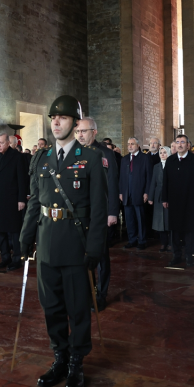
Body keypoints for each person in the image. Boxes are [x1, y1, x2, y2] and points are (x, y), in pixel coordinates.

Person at [20, 95, 107, 387]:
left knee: (77, 308)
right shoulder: (41, 158)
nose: (56, 122)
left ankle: (76, 363)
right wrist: (25, 236)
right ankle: (60, 357)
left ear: (76, 123)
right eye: (53, 117)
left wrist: (95, 248)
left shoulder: (91, 158)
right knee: (52, 307)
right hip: (46, 244)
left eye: (64, 118)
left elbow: (98, 209)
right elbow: (35, 202)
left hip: (75, 244)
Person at [75, 116, 119, 312]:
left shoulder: (105, 154)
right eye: (77, 131)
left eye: (83, 131)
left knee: (100, 256)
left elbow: (112, 184)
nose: (80, 135)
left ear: (94, 132)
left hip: (100, 214)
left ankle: (101, 294)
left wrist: (112, 213)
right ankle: (85, 291)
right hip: (80, 214)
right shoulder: (75, 152)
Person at [161, 134, 194, 268]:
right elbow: (165, 181)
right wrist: (165, 198)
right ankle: (176, 255)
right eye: (178, 142)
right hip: (174, 202)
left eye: (183, 142)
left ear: (188, 145)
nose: (180, 144)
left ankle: (189, 256)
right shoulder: (170, 160)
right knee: (174, 230)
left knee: (189, 230)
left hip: (190, 201)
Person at [0, 133, 27, 271]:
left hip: (12, 199)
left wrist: (21, 199)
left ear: (8, 143)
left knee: (14, 231)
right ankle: (5, 257)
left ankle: (17, 259)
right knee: (0, 231)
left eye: (1, 142)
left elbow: (22, 179)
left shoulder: (17, 157)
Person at [119, 137, 152, 250]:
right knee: (129, 219)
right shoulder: (124, 159)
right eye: (128, 144)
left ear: (138, 145)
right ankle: (132, 240)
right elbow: (121, 178)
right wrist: (121, 192)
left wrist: (147, 192)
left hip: (139, 193)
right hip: (126, 194)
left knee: (141, 219)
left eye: (132, 144)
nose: (130, 146)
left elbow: (149, 177)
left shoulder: (145, 158)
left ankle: (142, 241)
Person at [148, 146, 170, 251]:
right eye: (161, 152)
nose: (162, 154)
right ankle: (163, 243)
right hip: (158, 196)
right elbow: (153, 182)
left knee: (169, 220)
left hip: (169, 196)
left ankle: (171, 243)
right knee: (159, 221)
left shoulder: (172, 165)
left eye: (165, 152)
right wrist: (150, 197)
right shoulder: (156, 166)